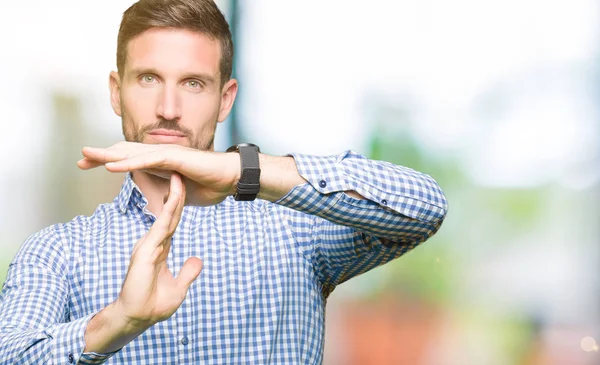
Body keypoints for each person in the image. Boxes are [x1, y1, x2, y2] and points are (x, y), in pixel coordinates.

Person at [0, 0, 448, 363]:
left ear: (225, 99)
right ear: (117, 92)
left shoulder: (291, 227)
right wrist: (117, 321)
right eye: (149, 79)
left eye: (193, 83)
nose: (169, 108)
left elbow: (424, 207)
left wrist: (241, 171)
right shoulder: (57, 252)